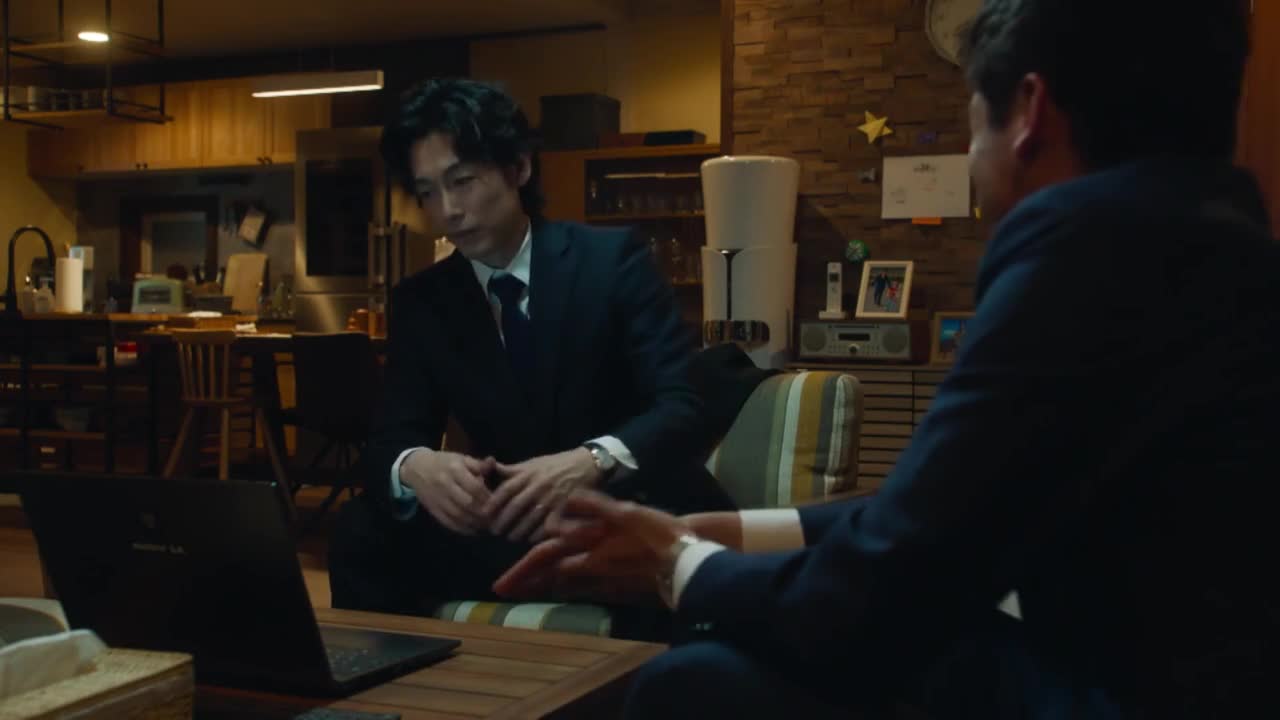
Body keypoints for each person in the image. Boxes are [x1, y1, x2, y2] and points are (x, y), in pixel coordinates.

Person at [496, 1, 1278, 717]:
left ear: (1029, 114)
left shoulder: (1085, 248)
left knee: (693, 682)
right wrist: (734, 529)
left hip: (1115, 691)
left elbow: (886, 589)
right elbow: (943, 514)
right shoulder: (1217, 242)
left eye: (971, 126)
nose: (971, 160)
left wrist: (677, 562)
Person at [328, 78, 735, 624]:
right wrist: (416, 465)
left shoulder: (610, 260)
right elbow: (389, 438)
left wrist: (590, 461)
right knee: (359, 531)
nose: (447, 210)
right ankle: (389, 677)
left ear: (518, 168)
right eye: (427, 192)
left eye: (462, 181)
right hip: (511, 520)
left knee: (657, 557)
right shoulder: (424, 300)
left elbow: (682, 405)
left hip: (624, 505)